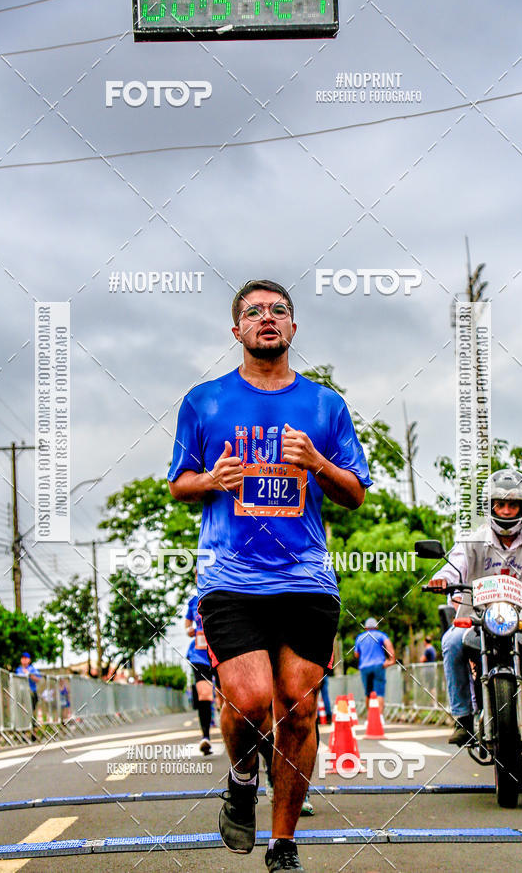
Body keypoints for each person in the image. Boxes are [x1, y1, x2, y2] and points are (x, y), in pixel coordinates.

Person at [168, 279, 372, 872]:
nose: (267, 319)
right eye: (253, 312)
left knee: (300, 711)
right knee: (252, 701)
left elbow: (355, 492)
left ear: (293, 327)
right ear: (237, 330)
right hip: (231, 577)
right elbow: (179, 482)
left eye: (278, 311)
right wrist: (213, 480)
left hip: (306, 577)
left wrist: (318, 463)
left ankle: (283, 845)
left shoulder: (324, 405)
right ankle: (239, 777)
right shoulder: (203, 401)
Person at [427, 469, 522, 746]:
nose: (505, 510)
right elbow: (455, 567)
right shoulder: (470, 540)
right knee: (451, 641)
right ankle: (463, 717)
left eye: (512, 505)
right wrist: (444, 579)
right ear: (490, 507)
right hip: (478, 623)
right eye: (499, 504)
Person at [185, 593, 216, 755]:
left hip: (222, 650)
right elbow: (187, 624)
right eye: (196, 573)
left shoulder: (222, 590)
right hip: (199, 654)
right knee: (204, 694)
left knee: (226, 699)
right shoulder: (193, 601)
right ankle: (206, 737)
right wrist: (189, 630)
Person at [353, 618, 396, 716]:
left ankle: (371, 717)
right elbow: (389, 646)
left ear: (365, 628)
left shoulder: (360, 638)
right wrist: (391, 660)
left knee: (368, 693)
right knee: (379, 692)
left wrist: (364, 655)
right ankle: (379, 717)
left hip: (365, 667)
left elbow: (356, 654)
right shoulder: (381, 635)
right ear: (376, 627)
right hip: (378, 665)